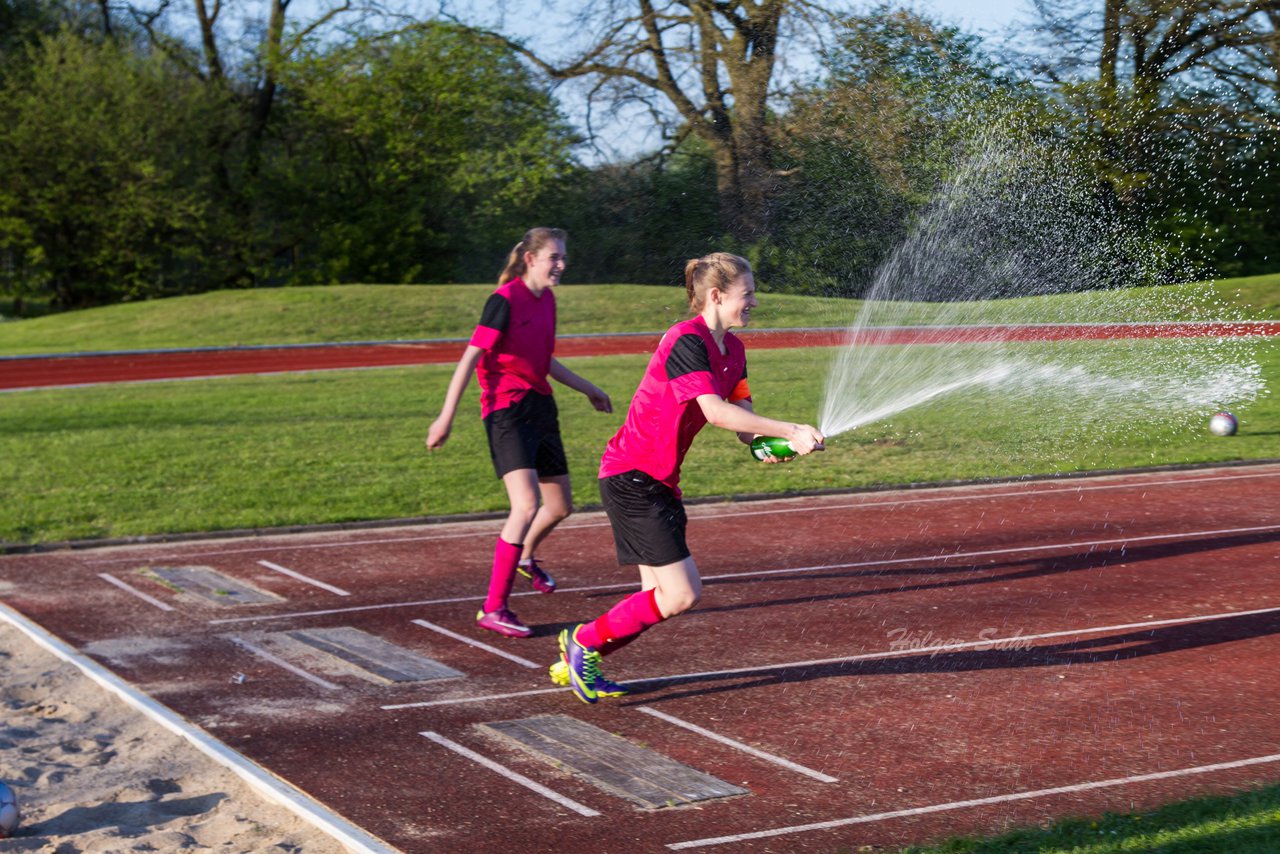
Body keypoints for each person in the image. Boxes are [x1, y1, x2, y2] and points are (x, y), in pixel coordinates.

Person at [550, 252, 823, 701]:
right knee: (681, 594)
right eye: (747, 294)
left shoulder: (733, 350)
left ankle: (580, 659)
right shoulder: (685, 340)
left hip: (658, 482)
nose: (754, 302)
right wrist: (790, 427)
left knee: (654, 598)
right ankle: (582, 643)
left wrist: (776, 446)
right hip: (631, 476)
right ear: (716, 296)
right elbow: (715, 413)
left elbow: (743, 424)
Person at [426, 228, 612, 638]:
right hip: (505, 410)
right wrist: (446, 418)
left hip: (540, 406)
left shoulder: (547, 300)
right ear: (530, 259)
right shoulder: (504, 301)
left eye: (564, 257)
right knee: (525, 506)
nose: (561, 265)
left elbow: (543, 361)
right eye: (554, 258)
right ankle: (493, 607)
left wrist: (590, 390)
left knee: (560, 506)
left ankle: (526, 557)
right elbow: (469, 358)